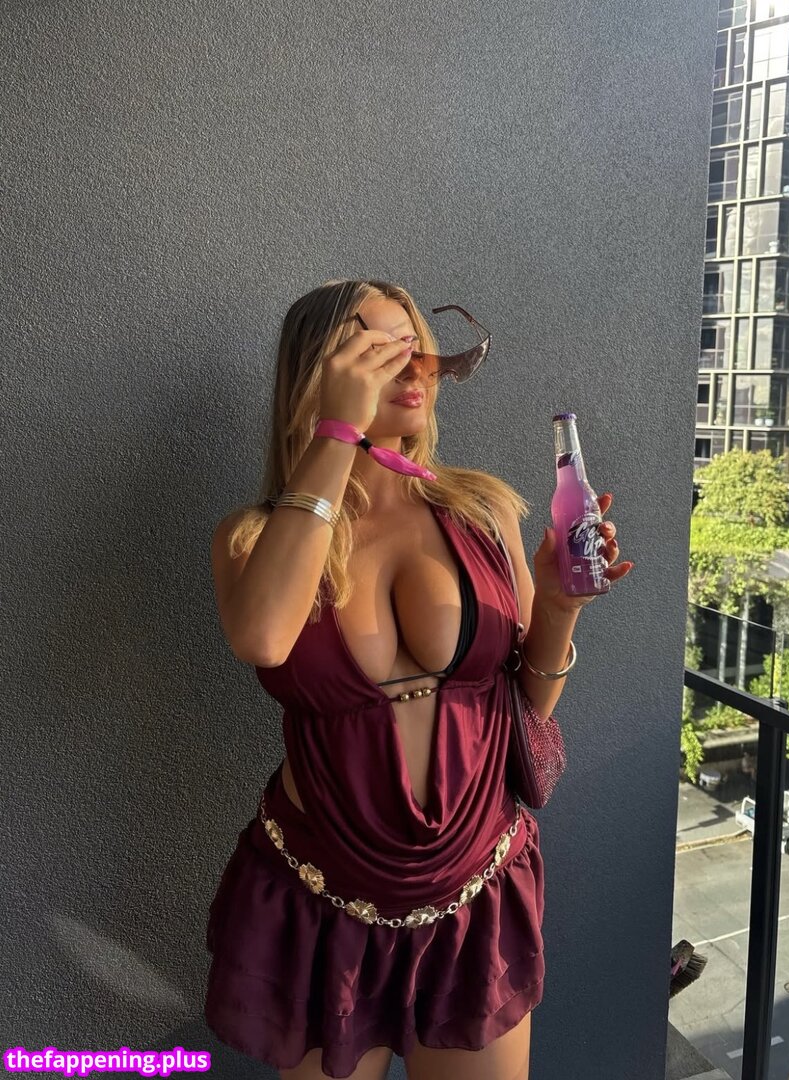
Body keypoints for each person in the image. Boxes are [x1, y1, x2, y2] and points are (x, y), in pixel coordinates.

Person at [204, 279, 633, 1080]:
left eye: (418, 349)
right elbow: (262, 636)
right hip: (323, 894)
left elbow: (526, 705)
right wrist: (337, 431)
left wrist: (558, 607)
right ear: (319, 372)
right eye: (375, 349)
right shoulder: (254, 537)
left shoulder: (480, 509)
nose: (411, 367)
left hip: (476, 886)